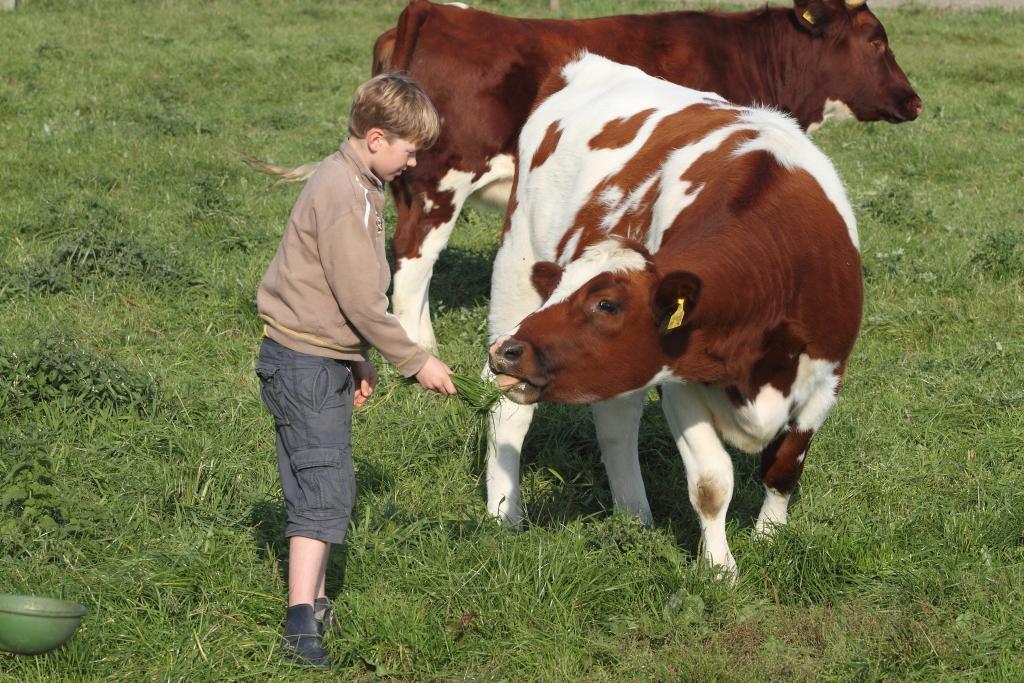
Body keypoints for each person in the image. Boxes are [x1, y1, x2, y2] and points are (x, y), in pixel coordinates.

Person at [254, 72, 457, 669]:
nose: (413, 160)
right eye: (409, 149)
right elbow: (361, 300)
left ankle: (313, 601)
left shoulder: (356, 180)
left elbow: (338, 297)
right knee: (325, 487)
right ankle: (301, 621)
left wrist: (357, 358)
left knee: (316, 478)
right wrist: (414, 360)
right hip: (305, 362)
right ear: (375, 138)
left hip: (314, 355)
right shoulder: (345, 193)